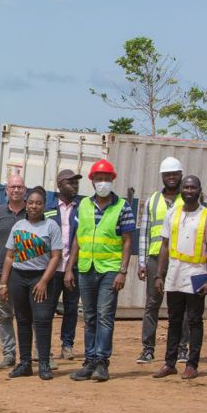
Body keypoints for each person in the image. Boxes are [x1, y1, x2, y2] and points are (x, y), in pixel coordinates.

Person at [66, 159, 135, 382]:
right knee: (89, 316)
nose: (102, 182)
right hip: (86, 268)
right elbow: (77, 238)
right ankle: (89, 361)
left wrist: (123, 271)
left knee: (105, 316)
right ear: (92, 181)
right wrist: (69, 268)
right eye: (99, 179)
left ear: (112, 180)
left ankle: (102, 362)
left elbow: (127, 241)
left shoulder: (122, 206)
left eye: (106, 179)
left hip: (110, 270)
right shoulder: (83, 205)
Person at [152, 176, 207, 380]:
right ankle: (169, 363)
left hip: (197, 273)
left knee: (195, 320)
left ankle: (192, 364)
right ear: (182, 189)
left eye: (193, 187)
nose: (189, 190)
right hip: (175, 272)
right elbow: (164, 246)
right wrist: (159, 274)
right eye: (186, 187)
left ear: (200, 190)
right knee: (174, 319)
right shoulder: (172, 214)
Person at [0, 187, 62, 380]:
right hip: (18, 278)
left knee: (42, 320)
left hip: (40, 278)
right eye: (31, 202)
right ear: (26, 204)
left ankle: (44, 363)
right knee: (23, 320)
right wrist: (3, 283)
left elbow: (56, 257)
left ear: (44, 206)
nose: (34, 206)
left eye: (39, 203)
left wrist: (44, 281)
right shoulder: (18, 227)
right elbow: (9, 256)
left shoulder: (51, 226)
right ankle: (25, 363)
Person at [137, 157, 189, 364]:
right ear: (162, 176)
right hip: (155, 257)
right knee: (152, 304)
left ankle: (182, 349)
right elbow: (145, 232)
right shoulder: (152, 200)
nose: (171, 177)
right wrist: (142, 261)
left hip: (180, 259)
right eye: (167, 174)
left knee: (181, 306)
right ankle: (147, 349)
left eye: (175, 174)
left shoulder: (188, 199)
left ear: (181, 175)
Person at [0, 174, 26, 369]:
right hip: (1, 271)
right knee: (4, 314)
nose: (16, 190)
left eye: (19, 187)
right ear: (6, 190)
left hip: (27, 271)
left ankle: (34, 353)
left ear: (25, 190)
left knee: (29, 314)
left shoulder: (33, 212)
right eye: (12, 187)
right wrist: (3, 254)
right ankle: (9, 354)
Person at [45, 169, 82, 361]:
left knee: (71, 308)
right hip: (51, 270)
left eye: (76, 183)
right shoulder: (48, 207)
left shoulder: (81, 208)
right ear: (59, 185)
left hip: (73, 269)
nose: (74, 186)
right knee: (47, 309)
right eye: (70, 182)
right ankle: (43, 347)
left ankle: (67, 345)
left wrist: (71, 268)